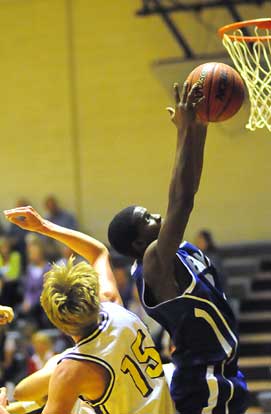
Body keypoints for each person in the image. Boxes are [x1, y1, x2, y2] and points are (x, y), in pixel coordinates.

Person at [108, 82, 248, 413]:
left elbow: (190, 186)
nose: (157, 214)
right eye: (147, 218)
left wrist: (198, 128)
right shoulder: (155, 263)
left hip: (220, 371)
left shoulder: (169, 253)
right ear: (139, 243)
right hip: (203, 382)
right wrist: (184, 132)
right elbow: (181, 200)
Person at [4, 206, 174, 414]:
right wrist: (43, 226)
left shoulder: (71, 372)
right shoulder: (112, 303)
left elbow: (23, 392)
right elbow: (98, 252)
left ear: (59, 325)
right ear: (93, 295)